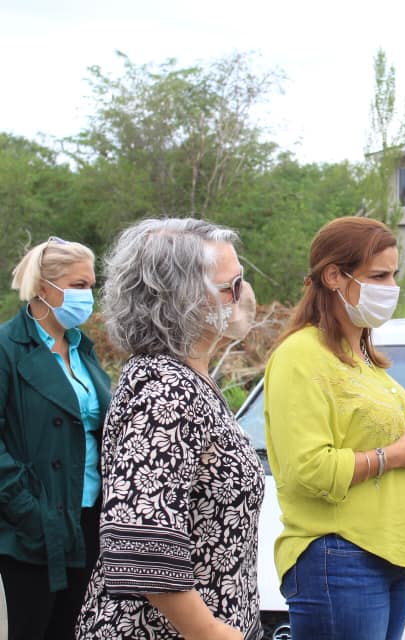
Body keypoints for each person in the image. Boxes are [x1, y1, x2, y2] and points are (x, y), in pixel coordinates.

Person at [264, 216, 405, 640]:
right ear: (334, 276)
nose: (390, 287)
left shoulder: (362, 355)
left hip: (386, 549)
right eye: (378, 275)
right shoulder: (301, 356)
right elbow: (306, 468)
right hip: (338, 553)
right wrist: (394, 455)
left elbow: (366, 433)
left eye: (393, 275)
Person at [76, 218, 264, 640]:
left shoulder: (187, 377)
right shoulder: (164, 388)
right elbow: (141, 535)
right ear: (182, 298)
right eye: (230, 285)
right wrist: (212, 632)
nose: (242, 296)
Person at [0, 237, 110, 640]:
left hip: (87, 520)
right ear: (45, 287)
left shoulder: (84, 350)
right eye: (79, 285)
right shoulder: (6, 348)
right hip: (33, 526)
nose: (88, 296)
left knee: (76, 631)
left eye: (91, 286)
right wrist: (29, 511)